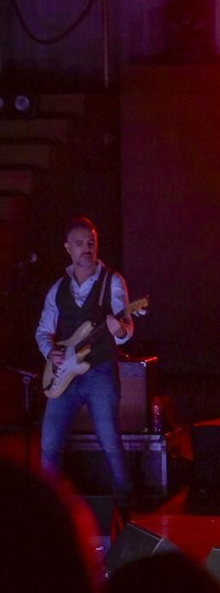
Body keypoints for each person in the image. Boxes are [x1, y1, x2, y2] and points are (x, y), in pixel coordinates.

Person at [35, 217, 136, 520]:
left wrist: (118, 329)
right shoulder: (58, 288)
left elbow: (127, 329)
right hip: (63, 375)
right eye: (79, 243)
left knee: (109, 440)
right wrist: (50, 352)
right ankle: (46, 509)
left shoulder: (112, 281)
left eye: (91, 242)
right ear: (68, 248)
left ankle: (126, 508)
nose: (86, 248)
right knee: (49, 442)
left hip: (100, 371)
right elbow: (42, 331)